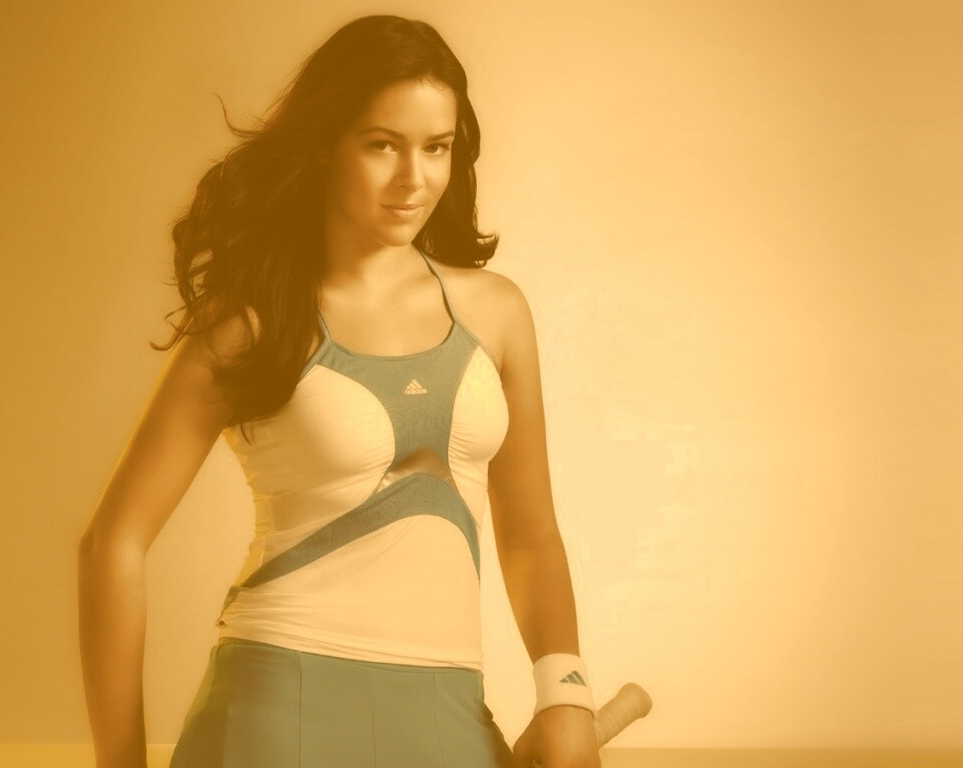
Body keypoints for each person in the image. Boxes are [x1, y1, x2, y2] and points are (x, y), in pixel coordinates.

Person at [78, 14, 601, 768]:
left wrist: (566, 693)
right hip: (277, 707)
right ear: (327, 142)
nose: (413, 179)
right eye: (383, 144)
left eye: (437, 147)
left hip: (447, 713)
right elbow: (113, 542)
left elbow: (530, 533)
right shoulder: (252, 324)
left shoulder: (497, 313)